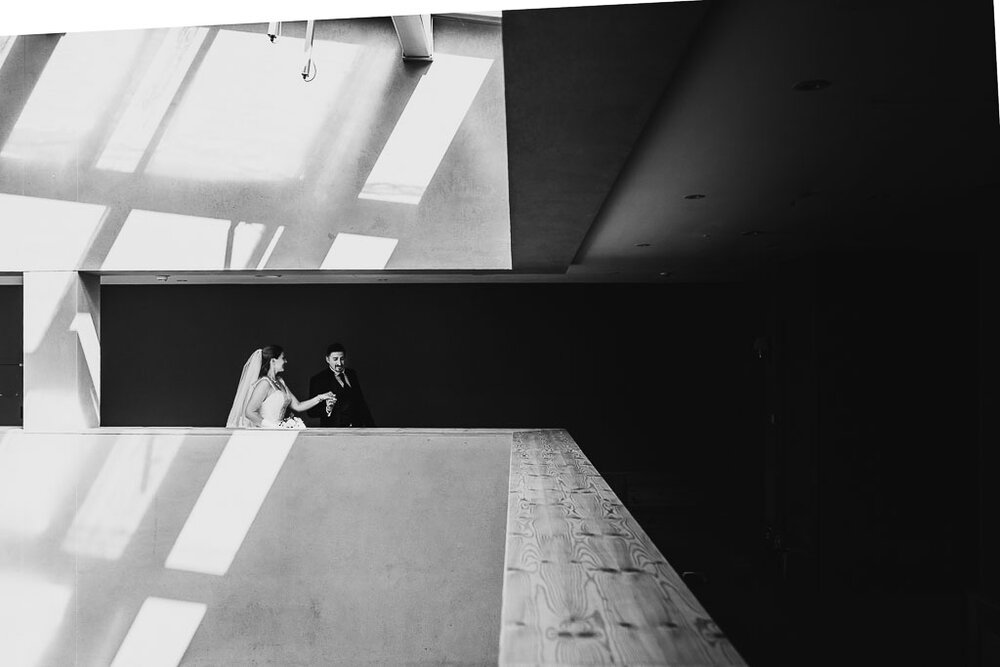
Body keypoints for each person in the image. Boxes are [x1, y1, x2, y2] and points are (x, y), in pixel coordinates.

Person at [226, 345, 335, 428]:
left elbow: (297, 405)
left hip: (280, 432)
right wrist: (273, 427)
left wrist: (320, 397)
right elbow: (249, 412)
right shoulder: (264, 383)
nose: (286, 361)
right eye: (283, 358)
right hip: (268, 433)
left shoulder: (280, 381)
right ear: (273, 361)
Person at [307, 342, 375, 427]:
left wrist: (372, 429)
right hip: (333, 433)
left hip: (356, 430)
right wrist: (327, 409)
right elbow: (311, 412)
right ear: (327, 359)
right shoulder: (318, 380)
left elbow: (361, 403)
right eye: (335, 359)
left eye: (342, 359)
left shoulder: (352, 374)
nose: (339, 363)